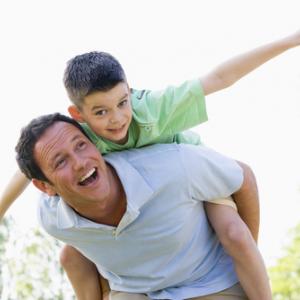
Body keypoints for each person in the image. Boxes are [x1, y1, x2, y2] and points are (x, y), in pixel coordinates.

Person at [3, 29, 300, 297]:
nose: (117, 119)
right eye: (101, 112)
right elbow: (29, 170)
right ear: (78, 114)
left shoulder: (152, 109)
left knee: (234, 234)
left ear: (130, 91)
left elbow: (220, 78)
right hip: (136, 205)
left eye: (122, 103)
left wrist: (291, 40)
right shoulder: (79, 138)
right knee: (72, 255)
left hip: (191, 182)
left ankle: (247, 276)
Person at [15, 113, 270, 300]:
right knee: (71, 256)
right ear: (45, 187)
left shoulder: (174, 166)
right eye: (61, 162)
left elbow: (244, 178)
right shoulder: (52, 218)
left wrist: (249, 254)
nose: (80, 162)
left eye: (81, 145)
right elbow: (81, 251)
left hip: (209, 283)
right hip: (137, 292)